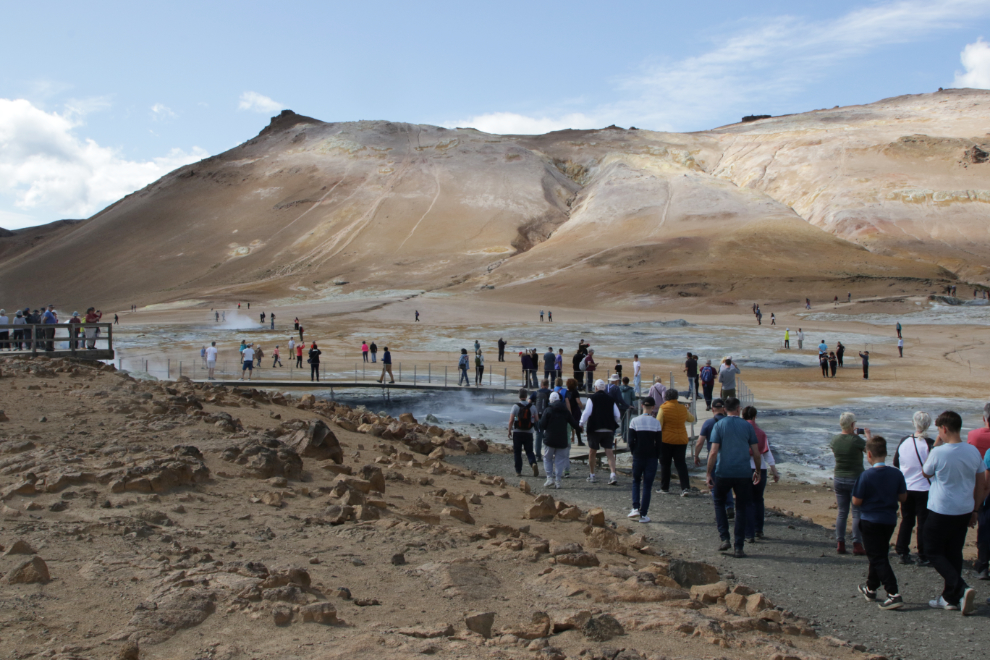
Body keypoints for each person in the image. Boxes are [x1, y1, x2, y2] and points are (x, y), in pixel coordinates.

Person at [921, 411, 985, 614]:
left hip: (942, 508)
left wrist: (936, 446)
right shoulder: (973, 451)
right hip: (964, 508)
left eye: (939, 429)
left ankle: (961, 588)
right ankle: (950, 598)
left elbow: (925, 472)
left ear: (944, 429)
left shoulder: (939, 452)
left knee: (932, 550)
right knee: (954, 551)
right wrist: (976, 509)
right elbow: (981, 483)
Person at [853, 435, 908, 610]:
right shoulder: (896, 474)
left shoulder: (866, 476)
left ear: (868, 454)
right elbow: (903, 497)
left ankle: (893, 593)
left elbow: (856, 500)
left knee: (877, 557)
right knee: (878, 554)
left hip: (870, 520)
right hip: (889, 520)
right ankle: (871, 588)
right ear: (886, 452)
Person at [707, 396, 761, 558]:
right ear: (738, 409)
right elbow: (756, 452)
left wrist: (708, 473)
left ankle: (725, 538)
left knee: (719, 502)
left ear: (724, 409)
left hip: (723, 471)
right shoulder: (747, 426)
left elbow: (713, 452)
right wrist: (758, 471)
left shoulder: (719, 425)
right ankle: (739, 546)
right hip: (743, 472)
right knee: (741, 507)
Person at [893, 411, 934, 566]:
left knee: (907, 520)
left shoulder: (904, 441)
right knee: (923, 522)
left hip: (906, 487)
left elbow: (896, 462)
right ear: (928, 425)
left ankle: (902, 551)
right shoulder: (930, 444)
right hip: (924, 488)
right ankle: (923, 554)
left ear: (913, 423)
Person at [831, 412, 866, 555]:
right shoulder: (856, 440)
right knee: (856, 512)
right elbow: (870, 451)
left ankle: (840, 542)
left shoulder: (835, 440)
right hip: (855, 478)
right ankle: (857, 544)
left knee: (842, 512)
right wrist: (868, 436)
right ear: (852, 424)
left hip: (839, 477)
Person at [742, 406, 779, 541]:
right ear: (755, 417)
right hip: (760, 469)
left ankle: (749, 532)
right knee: (758, 500)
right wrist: (774, 470)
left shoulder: (740, 431)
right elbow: (767, 453)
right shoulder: (761, 433)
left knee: (746, 501)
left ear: (743, 416)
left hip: (743, 469)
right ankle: (759, 530)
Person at [695, 398, 734, 519]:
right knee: (727, 483)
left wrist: (696, 455)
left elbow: (700, 442)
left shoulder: (708, 423)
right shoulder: (730, 422)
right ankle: (729, 506)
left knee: (713, 483)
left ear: (712, 409)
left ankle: (720, 509)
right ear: (724, 409)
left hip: (713, 456)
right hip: (728, 456)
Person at [628, 396, 662, 523]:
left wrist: (634, 452)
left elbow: (631, 441)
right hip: (651, 457)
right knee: (647, 485)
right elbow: (659, 443)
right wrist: (657, 455)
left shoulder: (634, 421)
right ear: (653, 407)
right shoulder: (656, 423)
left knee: (636, 481)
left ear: (642, 406)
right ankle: (643, 515)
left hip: (638, 455)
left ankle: (635, 508)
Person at [580, 379, 620, 485]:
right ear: (604, 388)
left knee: (592, 451)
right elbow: (617, 415)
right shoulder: (610, 399)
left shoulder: (592, 398)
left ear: (596, 387)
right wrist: (612, 422)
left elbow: (587, 413)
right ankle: (613, 474)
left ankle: (592, 474)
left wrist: (581, 423)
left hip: (595, 428)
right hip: (608, 428)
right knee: (609, 452)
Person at [656, 389, 696, 496]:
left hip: (667, 440)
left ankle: (665, 487)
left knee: (665, 464)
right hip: (681, 439)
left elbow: (659, 424)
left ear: (666, 397)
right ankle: (685, 487)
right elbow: (691, 419)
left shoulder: (663, 408)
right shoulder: (682, 408)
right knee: (681, 464)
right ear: (676, 397)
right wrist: (687, 410)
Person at [539, 391, 578, 488]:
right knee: (559, 460)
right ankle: (558, 481)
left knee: (547, 458)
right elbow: (573, 423)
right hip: (562, 440)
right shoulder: (565, 411)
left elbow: (542, 425)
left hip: (549, 439)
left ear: (551, 400)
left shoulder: (548, 410)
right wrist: (580, 428)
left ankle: (549, 478)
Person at [508, 388, 539, 477]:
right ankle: (533, 463)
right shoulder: (532, 407)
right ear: (526, 396)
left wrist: (509, 430)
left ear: (519, 396)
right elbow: (536, 419)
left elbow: (511, 420)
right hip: (529, 432)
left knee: (517, 452)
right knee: (529, 451)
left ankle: (518, 471)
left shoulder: (515, 406)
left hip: (517, 432)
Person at [533, 379, 552, 460]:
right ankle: (549, 454)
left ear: (541, 385)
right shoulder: (550, 392)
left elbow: (529, 401)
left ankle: (538, 455)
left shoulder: (536, 392)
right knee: (550, 434)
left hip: (538, 416)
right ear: (547, 385)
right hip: (547, 417)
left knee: (538, 435)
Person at [565, 378, 585, 448]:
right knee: (577, 425)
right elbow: (578, 401)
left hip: (568, 410)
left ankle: (569, 439)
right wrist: (582, 406)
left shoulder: (566, 392)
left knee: (569, 425)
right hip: (575, 410)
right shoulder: (575, 392)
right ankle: (579, 441)